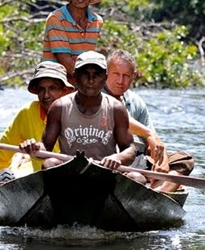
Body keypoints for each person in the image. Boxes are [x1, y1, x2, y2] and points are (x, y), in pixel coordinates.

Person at [20, 51, 145, 183]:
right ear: (75, 77)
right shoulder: (59, 107)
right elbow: (46, 146)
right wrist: (34, 147)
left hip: (105, 174)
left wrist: (118, 158)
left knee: (137, 178)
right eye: (85, 74)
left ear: (105, 78)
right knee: (49, 164)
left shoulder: (116, 108)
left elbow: (130, 149)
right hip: (70, 174)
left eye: (96, 75)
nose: (91, 80)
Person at [0, 61, 73, 190]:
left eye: (52, 88)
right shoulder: (27, 113)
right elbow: (5, 147)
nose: (46, 95)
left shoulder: (76, 111)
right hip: (39, 180)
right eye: (41, 89)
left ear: (64, 91)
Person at [104, 49, 195, 192]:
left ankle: (157, 193)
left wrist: (162, 161)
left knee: (184, 161)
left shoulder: (135, 101)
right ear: (106, 73)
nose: (120, 81)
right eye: (116, 74)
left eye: (126, 76)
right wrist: (148, 134)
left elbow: (154, 140)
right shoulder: (97, 96)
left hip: (138, 159)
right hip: (111, 157)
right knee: (134, 176)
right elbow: (118, 117)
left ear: (133, 77)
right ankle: (156, 188)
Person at [42, 0, 106, 81]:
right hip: (57, 84)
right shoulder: (56, 19)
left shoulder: (97, 22)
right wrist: (89, 83)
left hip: (82, 85)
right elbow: (65, 60)